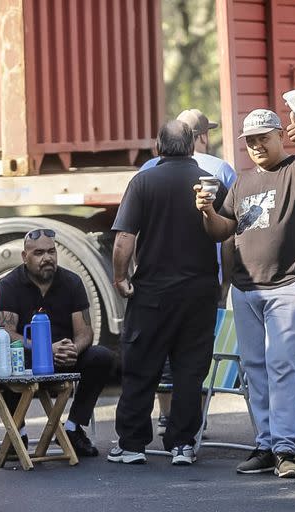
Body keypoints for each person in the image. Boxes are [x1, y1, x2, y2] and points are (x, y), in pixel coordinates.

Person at [194, 108, 295, 478]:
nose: (256, 146)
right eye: (250, 141)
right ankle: (265, 444)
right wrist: (207, 211)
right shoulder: (241, 182)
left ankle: (285, 449)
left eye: (263, 138)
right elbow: (222, 230)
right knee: (254, 370)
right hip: (246, 289)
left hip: (289, 285)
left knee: (282, 367)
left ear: (278, 137)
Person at [109, 120, 227, 466]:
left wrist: (120, 277)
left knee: (141, 366)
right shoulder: (210, 184)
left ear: (157, 147)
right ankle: (182, 445)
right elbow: (227, 235)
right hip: (200, 292)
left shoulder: (144, 181)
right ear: (193, 146)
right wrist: (224, 284)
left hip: (153, 293)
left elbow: (124, 240)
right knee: (190, 371)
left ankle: (131, 445)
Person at [140, 108, 236, 437]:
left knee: (160, 350)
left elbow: (132, 232)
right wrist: (226, 284)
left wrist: (126, 277)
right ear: (201, 137)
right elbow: (231, 227)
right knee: (193, 355)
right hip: (202, 280)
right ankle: (191, 424)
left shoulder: (147, 170)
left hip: (156, 281)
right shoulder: (219, 170)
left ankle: (166, 416)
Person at [0, 228, 117, 457]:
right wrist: (44, 349)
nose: (47, 258)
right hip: (28, 359)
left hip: (64, 357)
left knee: (102, 357)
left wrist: (74, 348)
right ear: (24, 257)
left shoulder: (71, 281)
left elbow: (85, 332)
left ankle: (72, 429)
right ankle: (16, 433)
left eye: (51, 251)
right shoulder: (11, 284)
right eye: (39, 253)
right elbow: (6, 333)